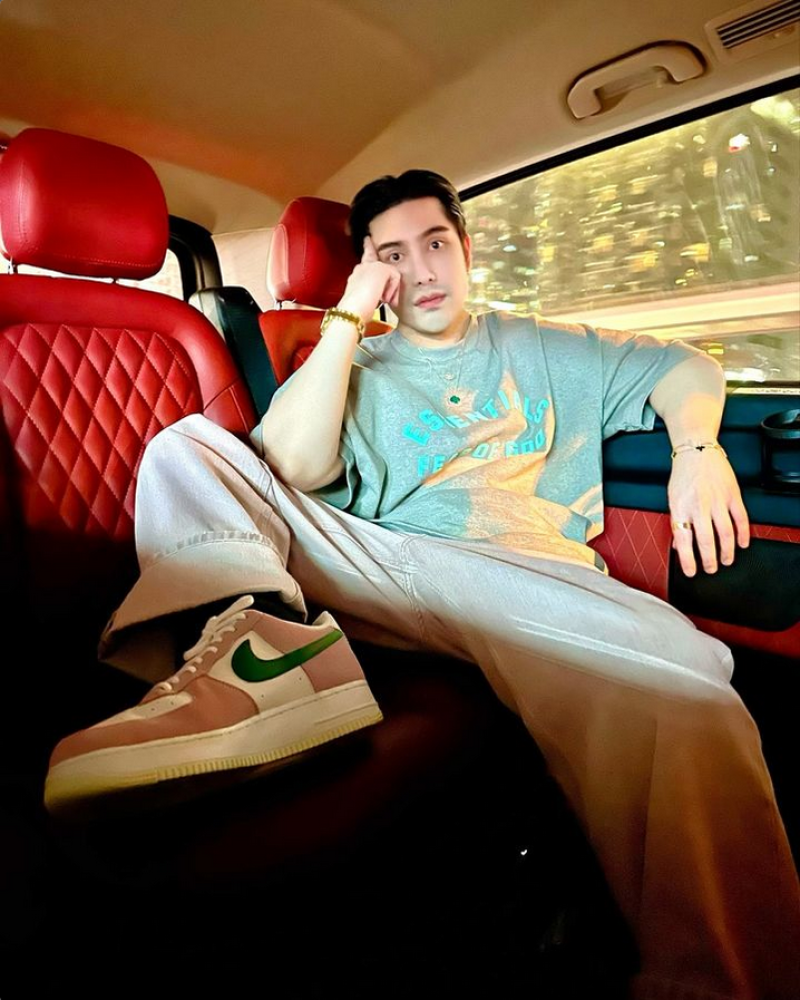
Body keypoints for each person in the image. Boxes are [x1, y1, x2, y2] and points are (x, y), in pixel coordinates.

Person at [45, 171, 799, 1000]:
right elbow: (289, 465)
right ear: (371, 270)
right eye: (393, 254)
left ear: (466, 248)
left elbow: (684, 366)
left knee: (688, 687)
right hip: (383, 566)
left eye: (435, 243)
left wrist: (697, 450)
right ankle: (255, 665)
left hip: (527, 574)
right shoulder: (353, 362)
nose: (422, 270)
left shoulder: (541, 347)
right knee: (188, 446)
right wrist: (348, 314)